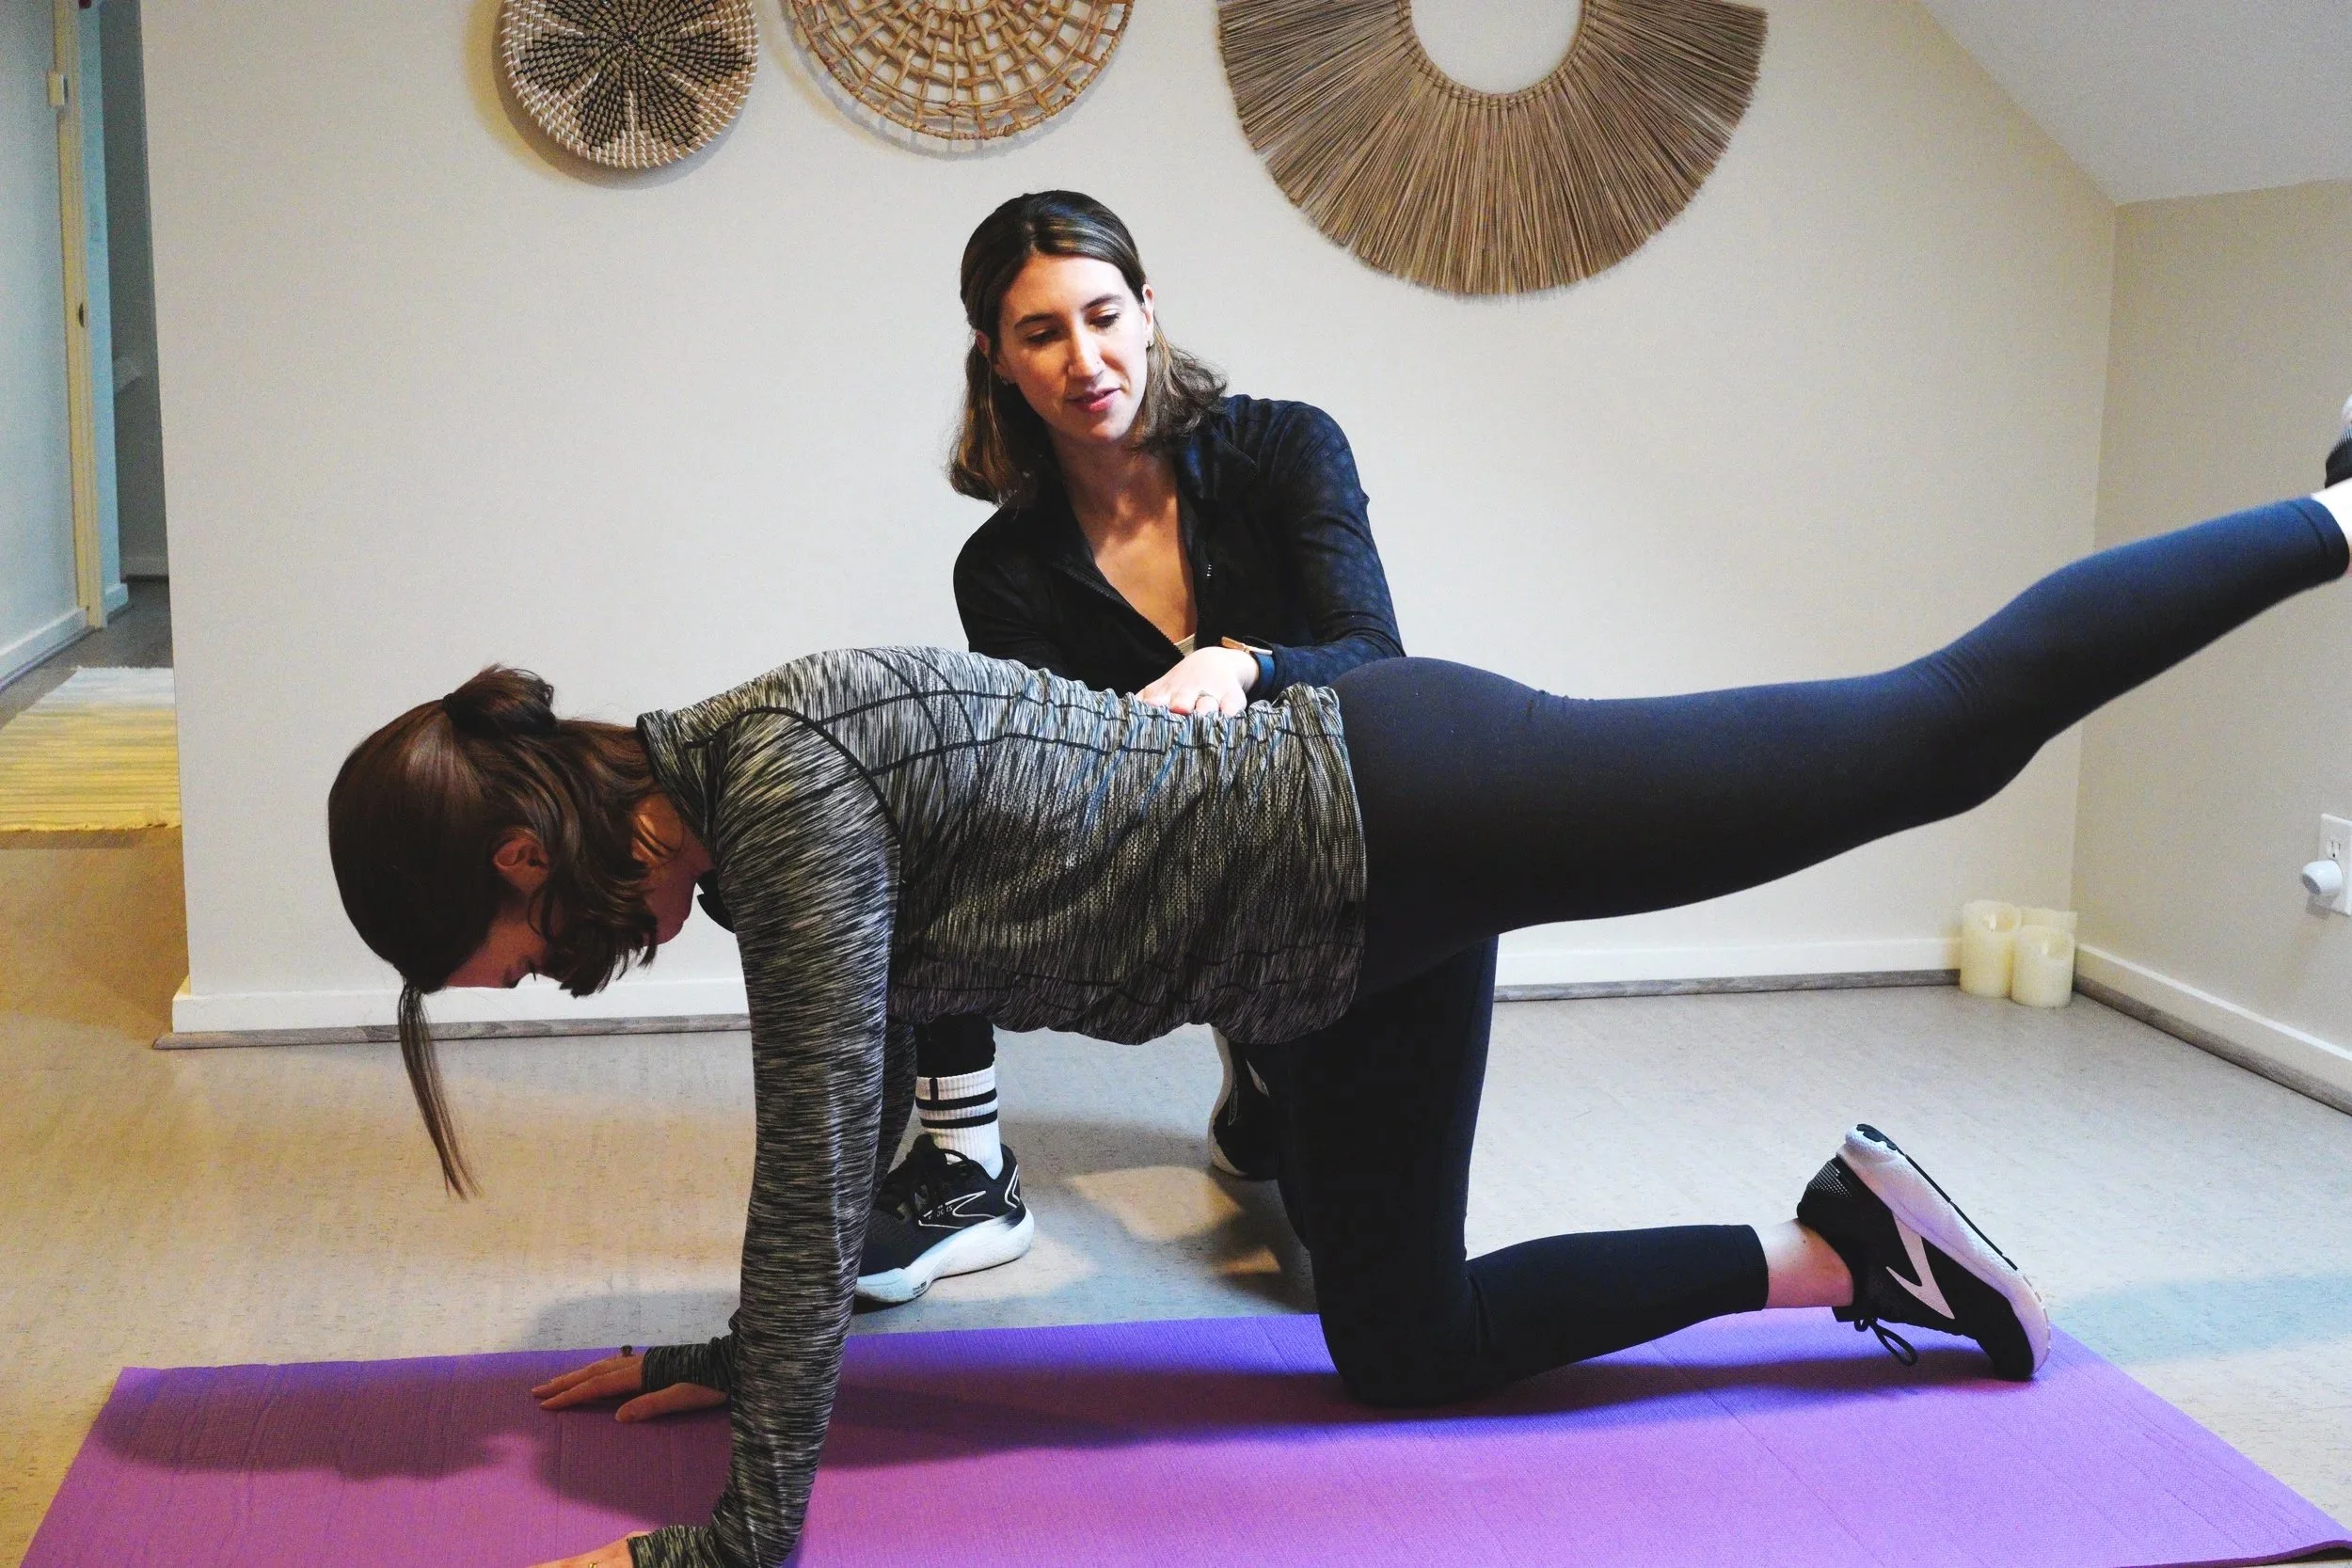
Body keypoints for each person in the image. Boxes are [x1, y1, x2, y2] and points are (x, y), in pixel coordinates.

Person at [328, 463, 2352, 1568]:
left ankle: (2333, 503)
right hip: (1329, 943)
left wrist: (739, 1540)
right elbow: (847, 1136)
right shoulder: (758, 798)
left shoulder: (776, 799)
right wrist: (723, 1355)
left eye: (483, 966)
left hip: (1401, 797)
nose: (519, 991)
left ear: (519, 862)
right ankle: (1844, 1240)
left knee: (1928, 737)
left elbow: (801, 1170)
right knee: (1402, 1345)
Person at [857, 188, 1487, 1307]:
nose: (1084, 358)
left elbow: (1373, 656)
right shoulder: (999, 568)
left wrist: (1241, 663)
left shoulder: (1287, 446)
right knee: (917, 814)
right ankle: (965, 1168)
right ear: (995, 358)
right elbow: (1048, 766)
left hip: (1333, 848)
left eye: (1103, 315)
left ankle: (1263, 1073)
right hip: (1161, 865)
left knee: (1334, 1258)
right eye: (1040, 332)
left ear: (1149, 309)